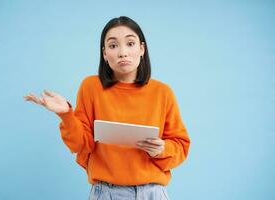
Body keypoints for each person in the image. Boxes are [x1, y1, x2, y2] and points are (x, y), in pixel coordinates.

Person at [23, 16, 190, 200]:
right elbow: (82, 144)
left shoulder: (162, 92)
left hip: (152, 193)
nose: (122, 52)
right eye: (113, 46)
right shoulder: (90, 87)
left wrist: (161, 149)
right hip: (106, 193)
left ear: (142, 49)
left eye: (130, 43)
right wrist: (66, 115)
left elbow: (181, 146)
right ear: (104, 54)